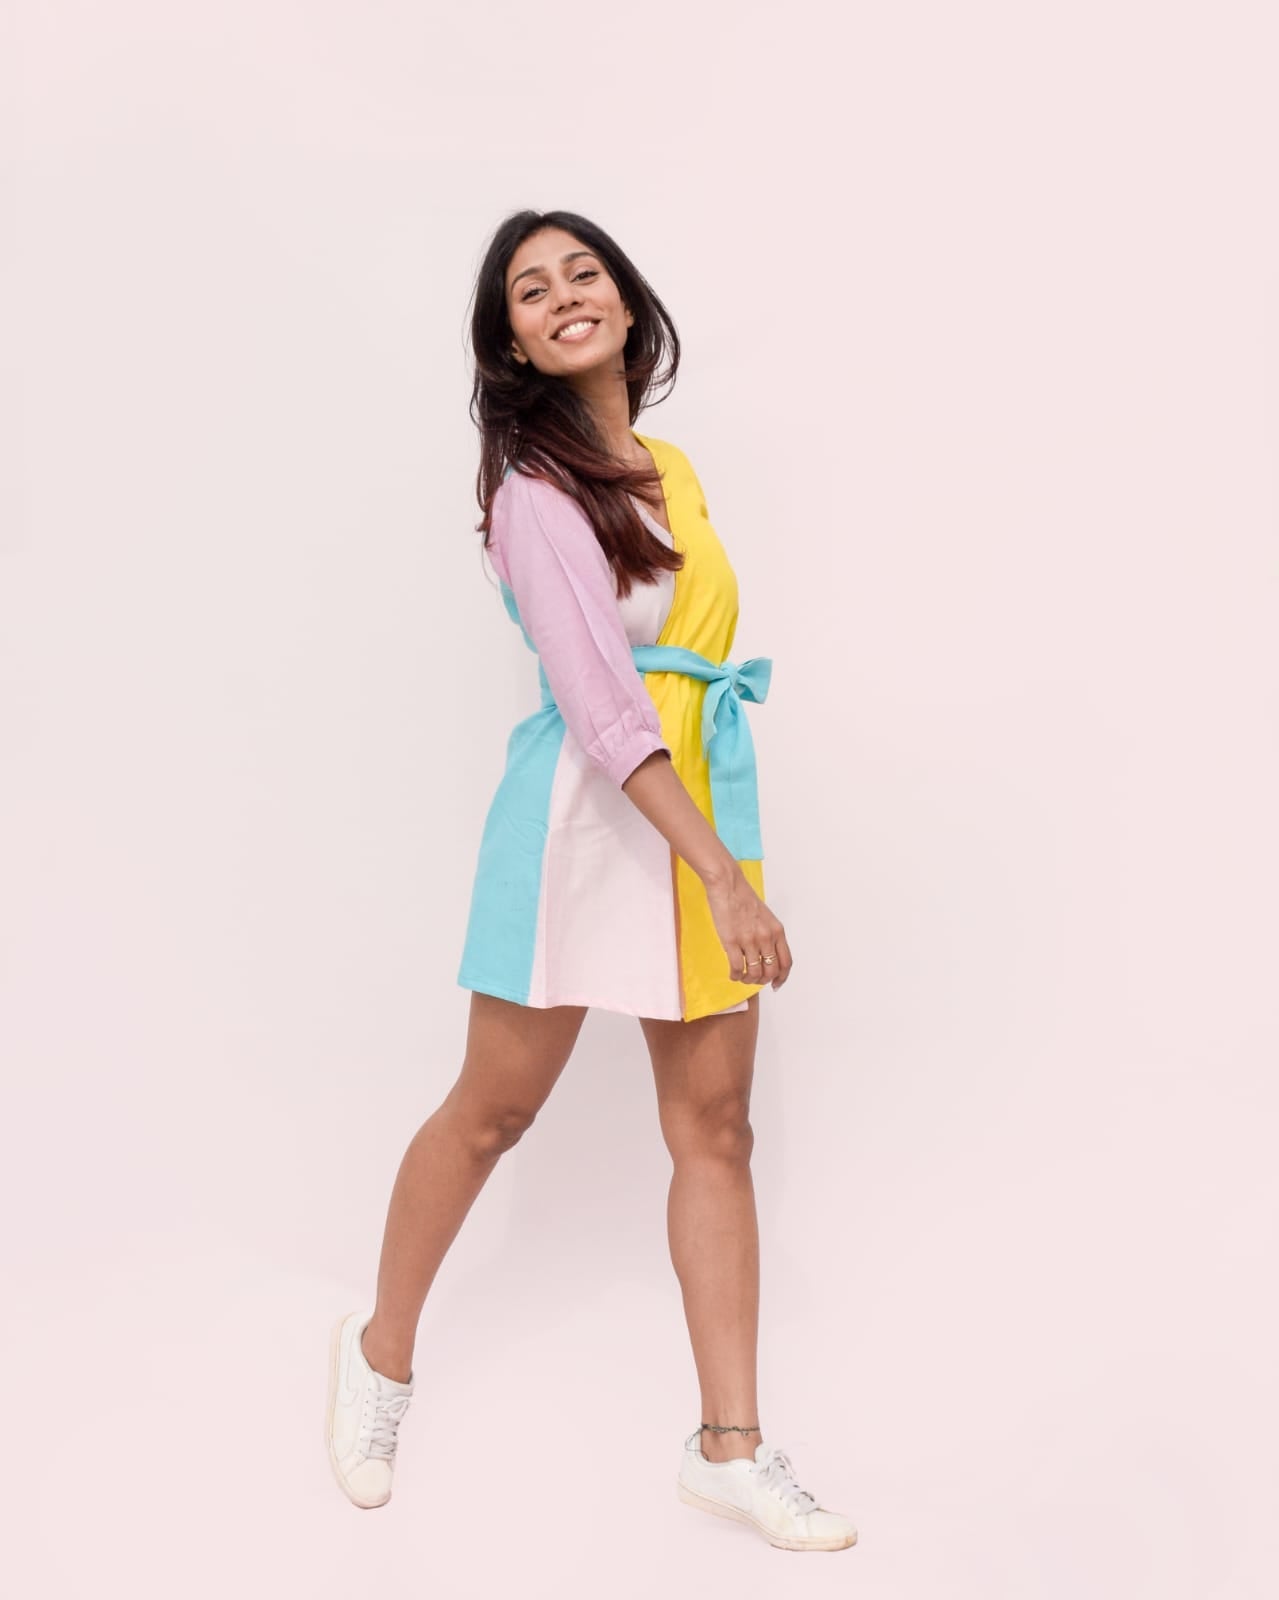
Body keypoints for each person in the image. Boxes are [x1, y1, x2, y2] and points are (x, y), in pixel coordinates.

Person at [323, 209, 857, 1553]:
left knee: (716, 1130)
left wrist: (721, 857)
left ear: (625, 302)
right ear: (510, 339)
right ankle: (378, 1357)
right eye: (531, 288)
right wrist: (724, 876)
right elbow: (604, 703)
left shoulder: (672, 466)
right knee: (493, 1112)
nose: (565, 294)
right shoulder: (532, 494)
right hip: (584, 818)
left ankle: (730, 1449)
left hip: (697, 806)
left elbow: (685, 671)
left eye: (584, 273)